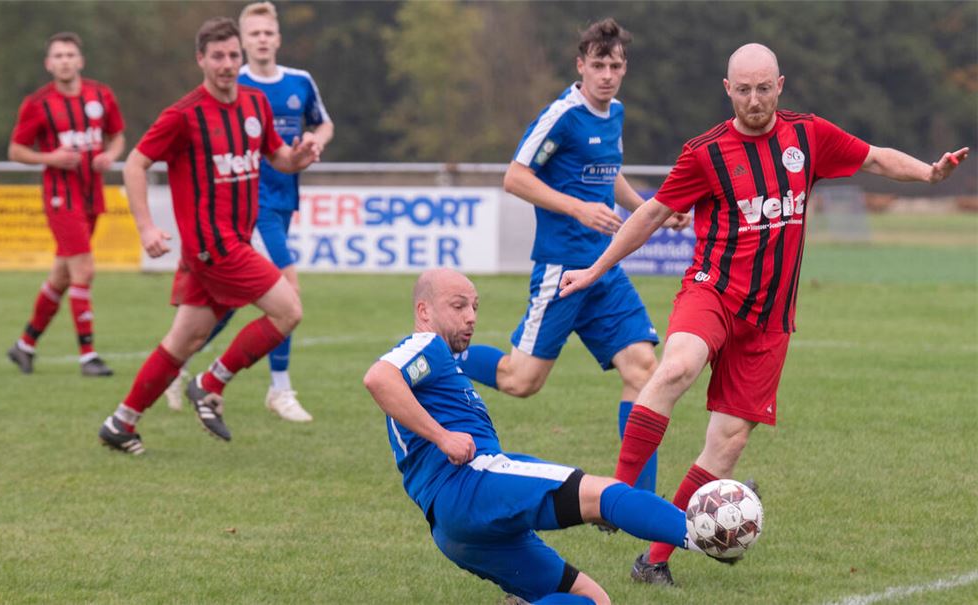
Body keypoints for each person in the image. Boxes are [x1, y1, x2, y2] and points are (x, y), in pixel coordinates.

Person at [559, 43, 970, 585]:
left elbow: (873, 157)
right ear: (728, 90)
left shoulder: (809, 136)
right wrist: (593, 271)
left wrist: (928, 173)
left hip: (770, 320)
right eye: (743, 90)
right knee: (676, 366)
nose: (754, 100)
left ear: (780, 84)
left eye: (763, 88)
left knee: (727, 444)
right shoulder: (705, 152)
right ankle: (616, 494)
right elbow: (654, 213)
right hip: (714, 293)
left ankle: (653, 561)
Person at [363, 268, 719, 605]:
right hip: (473, 486)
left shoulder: (443, 363)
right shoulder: (427, 345)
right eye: (458, 306)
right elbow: (379, 378)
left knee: (592, 599)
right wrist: (443, 437)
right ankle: (708, 534)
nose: (470, 316)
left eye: (474, 307)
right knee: (606, 493)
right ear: (423, 310)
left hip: (453, 528)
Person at [456, 18, 688, 493]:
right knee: (522, 381)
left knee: (643, 370)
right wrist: (577, 208)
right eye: (598, 65)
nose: (607, 74)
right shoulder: (561, 115)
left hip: (604, 268)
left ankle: (630, 499)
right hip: (562, 270)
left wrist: (653, 211)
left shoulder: (615, 114)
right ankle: (442, 357)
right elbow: (515, 177)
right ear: (581, 66)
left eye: (615, 65)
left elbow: (611, 177)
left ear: (624, 69)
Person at [97, 17, 319, 455]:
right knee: (288, 310)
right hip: (214, 248)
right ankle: (210, 383)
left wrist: (300, 156)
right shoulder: (184, 115)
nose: (227, 64)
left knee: (183, 341)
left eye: (233, 55)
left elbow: (279, 158)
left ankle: (121, 423)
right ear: (200, 59)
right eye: (217, 56)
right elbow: (135, 163)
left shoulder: (255, 104)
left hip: (226, 244)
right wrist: (145, 227)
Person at [163, 0, 333, 423]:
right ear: (241, 40)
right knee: (288, 294)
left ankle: (179, 364)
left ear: (277, 38)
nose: (260, 40)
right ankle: (278, 389)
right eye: (252, 34)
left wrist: (315, 141)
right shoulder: (229, 82)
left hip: (282, 201)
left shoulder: (300, 81)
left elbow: (323, 123)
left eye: (267, 33)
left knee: (230, 306)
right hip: (245, 207)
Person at [6, 32, 126, 377]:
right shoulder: (38, 104)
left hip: (92, 195)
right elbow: (16, 150)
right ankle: (88, 355)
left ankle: (25, 345)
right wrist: (51, 157)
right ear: (49, 64)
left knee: (61, 275)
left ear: (80, 60)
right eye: (57, 55)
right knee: (84, 270)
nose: (64, 60)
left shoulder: (101, 95)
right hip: (61, 198)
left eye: (70, 54)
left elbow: (116, 135)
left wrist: (110, 155)